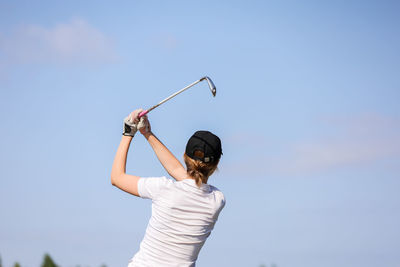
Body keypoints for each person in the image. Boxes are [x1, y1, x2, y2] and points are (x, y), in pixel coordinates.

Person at [111, 109, 225, 267]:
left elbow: (117, 178)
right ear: (216, 163)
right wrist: (147, 133)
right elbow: (186, 179)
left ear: (184, 155)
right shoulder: (217, 200)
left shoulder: (162, 189)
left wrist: (128, 133)